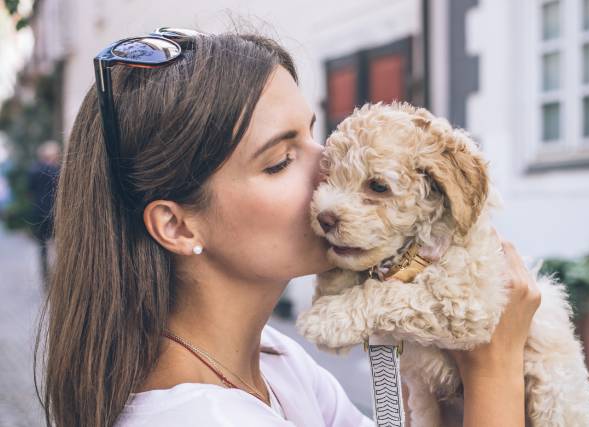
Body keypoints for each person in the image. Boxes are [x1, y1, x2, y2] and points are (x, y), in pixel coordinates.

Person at [37, 30, 541, 427]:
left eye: (314, 134)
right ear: (177, 225)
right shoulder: (200, 418)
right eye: (280, 160)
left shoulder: (277, 363)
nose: (329, 167)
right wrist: (494, 365)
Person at [27, 140, 60, 285]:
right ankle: (58, 275)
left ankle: (45, 277)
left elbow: (30, 192)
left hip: (38, 212)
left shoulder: (33, 171)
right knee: (58, 245)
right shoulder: (57, 171)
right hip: (54, 213)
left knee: (42, 247)